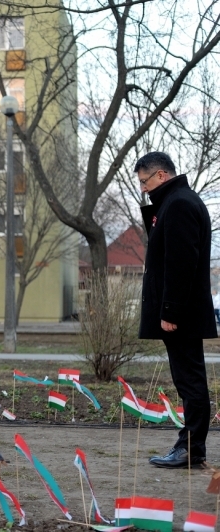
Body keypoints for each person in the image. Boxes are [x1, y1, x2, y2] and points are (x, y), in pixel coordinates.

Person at [137, 151, 216, 469]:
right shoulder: (175, 202)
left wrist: (170, 310)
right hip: (182, 312)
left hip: (180, 314)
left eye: (145, 181)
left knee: (190, 380)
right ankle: (189, 445)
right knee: (188, 379)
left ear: (161, 175)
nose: (143, 188)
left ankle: (191, 448)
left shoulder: (180, 203)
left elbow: (180, 264)